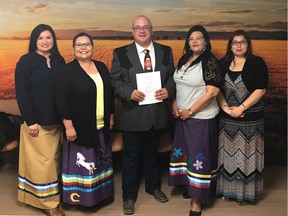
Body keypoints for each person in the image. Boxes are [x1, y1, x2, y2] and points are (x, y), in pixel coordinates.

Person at [110, 15, 175, 215]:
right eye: (138, 28)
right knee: (130, 157)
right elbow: (115, 81)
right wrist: (128, 93)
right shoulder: (120, 53)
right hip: (133, 115)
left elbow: (173, 77)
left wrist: (168, 90)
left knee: (151, 154)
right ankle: (128, 196)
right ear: (132, 31)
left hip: (157, 114)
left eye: (146, 27)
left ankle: (153, 187)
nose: (142, 30)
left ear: (151, 30)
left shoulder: (166, 51)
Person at [55, 32, 114, 207]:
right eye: (79, 45)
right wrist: (68, 126)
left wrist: (110, 115)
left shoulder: (102, 67)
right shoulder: (66, 71)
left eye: (87, 44)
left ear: (93, 48)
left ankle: (100, 197)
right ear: (73, 49)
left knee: (99, 164)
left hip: (100, 125)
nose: (83, 48)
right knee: (82, 166)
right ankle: (79, 199)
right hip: (78, 128)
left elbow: (109, 94)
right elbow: (61, 99)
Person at [168, 25, 222, 216]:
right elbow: (177, 84)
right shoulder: (185, 59)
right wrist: (174, 103)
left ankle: (196, 203)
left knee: (199, 158)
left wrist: (190, 111)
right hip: (182, 118)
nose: (194, 41)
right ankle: (191, 188)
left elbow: (213, 92)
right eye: (191, 38)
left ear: (206, 42)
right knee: (186, 155)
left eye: (199, 38)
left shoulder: (210, 62)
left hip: (200, 118)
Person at [15, 24, 65, 216]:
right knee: (45, 164)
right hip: (36, 123)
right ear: (34, 41)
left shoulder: (59, 60)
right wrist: (30, 120)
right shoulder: (26, 61)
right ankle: (50, 205)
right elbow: (22, 93)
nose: (45, 41)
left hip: (57, 122)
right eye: (40, 38)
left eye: (49, 37)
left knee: (54, 161)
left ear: (54, 40)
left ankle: (45, 198)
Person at [216, 30, 268, 205]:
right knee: (228, 155)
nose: (238, 45)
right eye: (235, 42)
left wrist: (241, 108)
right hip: (228, 117)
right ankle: (227, 191)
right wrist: (226, 108)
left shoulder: (257, 63)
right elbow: (216, 90)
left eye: (242, 42)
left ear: (248, 44)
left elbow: (261, 89)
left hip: (250, 119)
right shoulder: (222, 64)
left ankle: (246, 194)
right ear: (230, 45)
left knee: (248, 155)